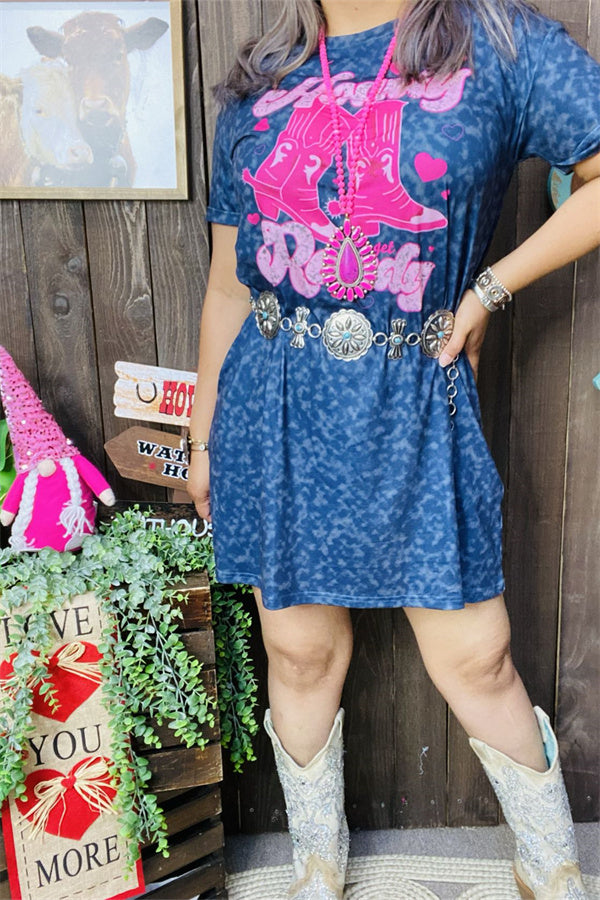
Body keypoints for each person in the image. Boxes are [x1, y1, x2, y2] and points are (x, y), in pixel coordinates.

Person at [187, 1, 600, 898]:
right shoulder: (261, 77)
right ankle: (317, 866)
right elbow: (227, 286)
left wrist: (489, 290)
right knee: (298, 653)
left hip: (413, 401)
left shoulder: (500, 43)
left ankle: (552, 869)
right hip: (276, 407)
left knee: (477, 656)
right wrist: (204, 434)